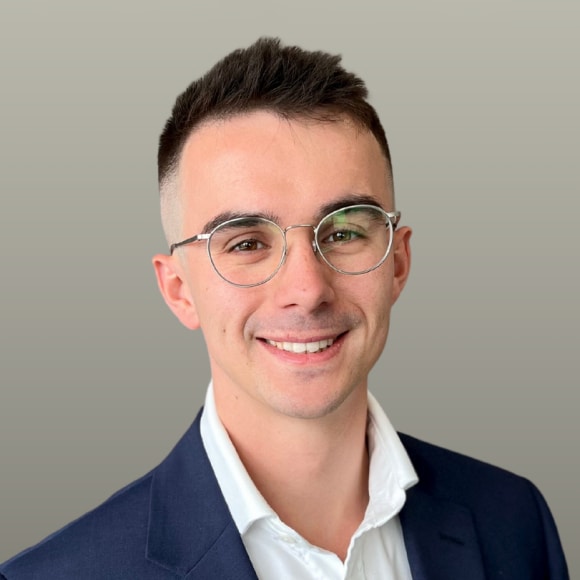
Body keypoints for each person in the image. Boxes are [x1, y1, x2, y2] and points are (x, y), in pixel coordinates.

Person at [0, 37, 568, 580]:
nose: (307, 289)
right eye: (247, 243)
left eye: (343, 233)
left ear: (397, 263)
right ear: (178, 289)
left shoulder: (513, 522)